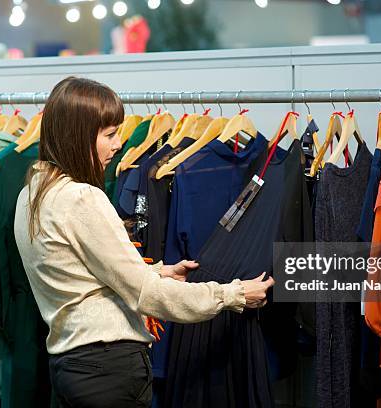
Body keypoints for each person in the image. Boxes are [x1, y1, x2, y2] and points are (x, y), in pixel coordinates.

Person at [14, 76, 274, 408]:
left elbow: (78, 274)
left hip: (70, 367)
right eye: (109, 135)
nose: (118, 144)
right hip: (108, 368)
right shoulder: (81, 198)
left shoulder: (32, 194)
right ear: (77, 137)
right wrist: (233, 294)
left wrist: (159, 271)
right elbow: (147, 296)